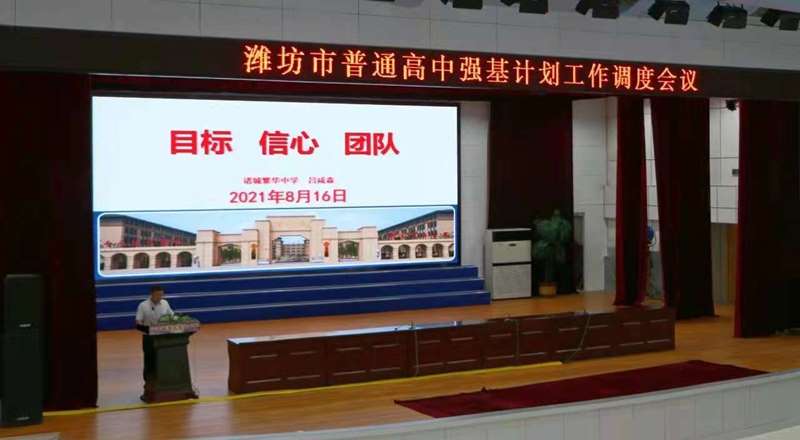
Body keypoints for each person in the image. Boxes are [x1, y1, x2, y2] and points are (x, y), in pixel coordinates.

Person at [136, 285, 174, 394]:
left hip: (163, 337)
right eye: (158, 295)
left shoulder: (165, 303)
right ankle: (148, 383)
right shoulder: (143, 305)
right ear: (151, 294)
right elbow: (138, 322)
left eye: (161, 295)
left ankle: (163, 382)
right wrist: (149, 329)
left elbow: (172, 316)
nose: (160, 297)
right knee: (149, 361)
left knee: (163, 360)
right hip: (149, 338)